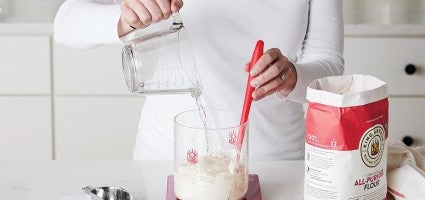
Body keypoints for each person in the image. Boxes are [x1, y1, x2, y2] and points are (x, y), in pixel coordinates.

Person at [54, 0, 344, 161]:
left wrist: (292, 78)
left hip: (276, 166)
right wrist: (125, 18)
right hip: (166, 163)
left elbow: (330, 65)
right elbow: (66, 22)